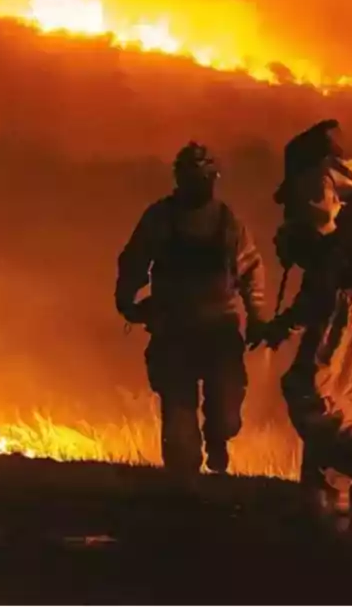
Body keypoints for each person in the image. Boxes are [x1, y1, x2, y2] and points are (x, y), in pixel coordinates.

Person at [256, 119, 352, 529]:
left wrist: (295, 245)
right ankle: (327, 503)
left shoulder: (317, 181)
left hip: (346, 299)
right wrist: (286, 325)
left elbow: (324, 262)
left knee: (308, 392)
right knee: (340, 398)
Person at [115, 142, 269, 479]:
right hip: (174, 330)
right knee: (179, 419)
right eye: (192, 176)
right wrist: (126, 299)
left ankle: (217, 441)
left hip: (219, 330)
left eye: (204, 176)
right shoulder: (160, 219)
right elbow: (135, 259)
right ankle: (184, 492)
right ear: (180, 179)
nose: (199, 183)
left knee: (226, 413)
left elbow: (250, 271)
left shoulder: (229, 224)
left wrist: (257, 316)